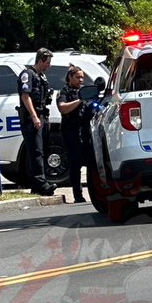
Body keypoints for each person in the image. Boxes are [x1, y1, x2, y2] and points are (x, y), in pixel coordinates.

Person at [18, 47, 54, 196]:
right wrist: (34, 117)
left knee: (43, 150)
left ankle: (38, 184)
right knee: (36, 151)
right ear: (40, 60)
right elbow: (25, 97)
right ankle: (41, 184)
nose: (48, 65)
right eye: (47, 62)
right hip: (31, 118)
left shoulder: (41, 76)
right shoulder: (27, 75)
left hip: (42, 116)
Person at [55, 64, 86, 204]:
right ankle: (77, 195)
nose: (81, 80)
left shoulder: (84, 91)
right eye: (78, 77)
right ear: (70, 77)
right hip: (70, 131)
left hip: (85, 130)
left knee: (91, 162)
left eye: (82, 78)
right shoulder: (64, 92)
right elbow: (63, 108)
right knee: (75, 164)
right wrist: (80, 101)